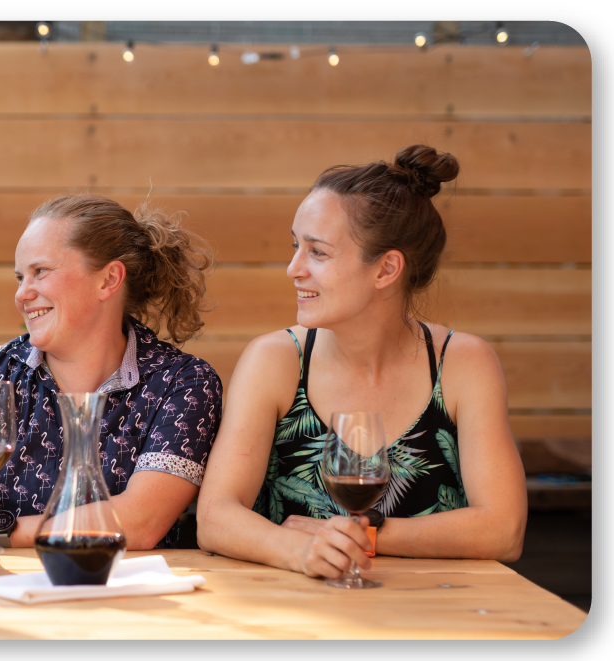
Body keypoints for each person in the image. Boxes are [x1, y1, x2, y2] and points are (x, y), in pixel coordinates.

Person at [197, 145, 527, 580]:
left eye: (318, 252)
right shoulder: (275, 360)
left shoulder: (463, 362)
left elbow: (504, 531)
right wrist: (297, 551)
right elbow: (216, 517)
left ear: (386, 269)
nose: (293, 269)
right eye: (296, 247)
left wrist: (364, 537)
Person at [0, 194, 223, 555]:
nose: (22, 294)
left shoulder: (182, 383)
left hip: (126, 599)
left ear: (108, 280)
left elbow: (140, 522)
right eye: (19, 277)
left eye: (40, 271)